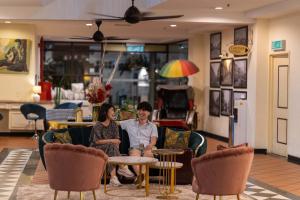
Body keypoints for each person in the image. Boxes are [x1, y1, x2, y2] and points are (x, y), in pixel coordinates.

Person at [89, 103, 134, 186]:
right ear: (106, 112)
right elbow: (97, 141)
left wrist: (114, 145)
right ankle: (122, 167)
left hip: (109, 148)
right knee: (111, 146)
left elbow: (117, 140)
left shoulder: (114, 124)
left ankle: (114, 178)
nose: (114, 112)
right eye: (112, 110)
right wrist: (112, 141)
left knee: (111, 148)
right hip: (96, 148)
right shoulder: (98, 125)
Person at [119, 101, 158, 186]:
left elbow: (153, 140)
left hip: (147, 147)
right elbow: (115, 123)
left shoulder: (152, 126)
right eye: (139, 110)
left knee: (147, 157)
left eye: (144, 110)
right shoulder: (129, 122)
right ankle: (143, 178)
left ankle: (141, 179)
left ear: (149, 113)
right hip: (135, 148)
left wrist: (150, 145)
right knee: (134, 158)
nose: (141, 112)